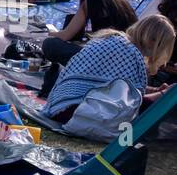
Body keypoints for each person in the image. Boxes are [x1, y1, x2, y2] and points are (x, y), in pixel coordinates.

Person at [43, 15, 175, 120]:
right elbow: (132, 102)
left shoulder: (117, 40)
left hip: (59, 106)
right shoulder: (130, 53)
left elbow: (113, 86)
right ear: (153, 41)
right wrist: (163, 94)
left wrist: (154, 90)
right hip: (76, 112)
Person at [41, 0, 136, 64]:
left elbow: (65, 35)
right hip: (128, 56)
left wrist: (49, 33)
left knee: (50, 44)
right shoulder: (121, 1)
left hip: (104, 58)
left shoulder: (90, 3)